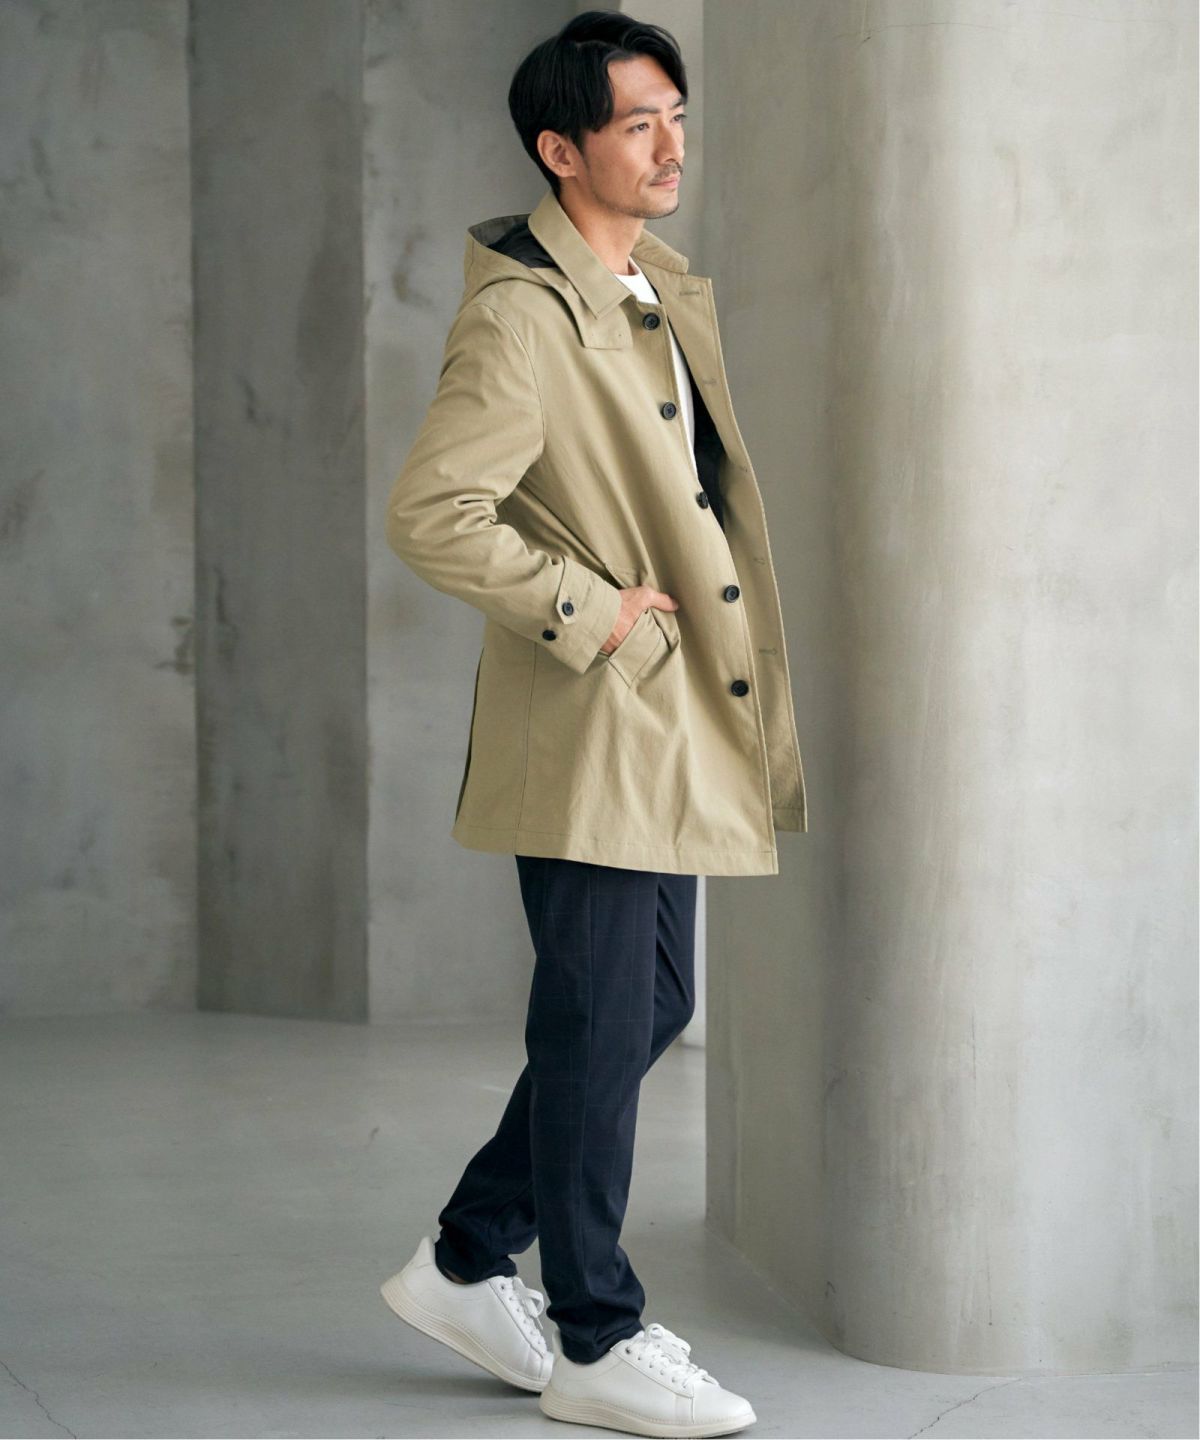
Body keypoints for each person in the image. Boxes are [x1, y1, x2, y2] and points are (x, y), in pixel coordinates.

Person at [378, 10, 808, 1436]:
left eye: (676, 115)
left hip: (658, 719)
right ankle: (595, 1335)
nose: (671, 145)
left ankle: (462, 1260)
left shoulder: (649, 288)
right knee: (599, 1015)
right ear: (561, 150)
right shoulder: (525, 315)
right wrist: (592, 612)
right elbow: (435, 512)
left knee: (647, 1004)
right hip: (593, 715)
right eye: (638, 123)